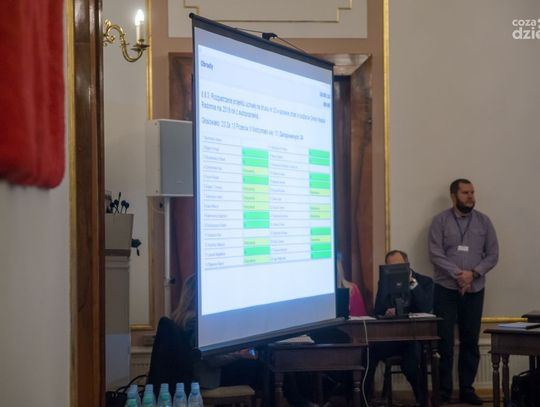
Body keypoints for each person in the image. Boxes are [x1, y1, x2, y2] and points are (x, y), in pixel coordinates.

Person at [429, 178, 499, 405]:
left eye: (472, 193)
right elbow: (435, 253)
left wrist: (473, 274)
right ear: (454, 196)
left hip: (475, 289)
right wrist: (459, 275)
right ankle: (444, 390)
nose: (471, 197)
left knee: (470, 340)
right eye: (466, 193)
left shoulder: (484, 222)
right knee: (445, 341)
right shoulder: (440, 221)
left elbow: (493, 254)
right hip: (445, 289)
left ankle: (467, 389)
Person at [365, 250, 434, 407]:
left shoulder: (425, 282)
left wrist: (412, 283)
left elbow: (425, 307)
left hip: (414, 338)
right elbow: (378, 310)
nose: (395, 269)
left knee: (410, 365)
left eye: (399, 265)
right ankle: (364, 398)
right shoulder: (385, 283)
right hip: (392, 338)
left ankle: (422, 400)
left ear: (407, 264)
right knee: (368, 353)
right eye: (391, 266)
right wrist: (387, 312)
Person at [171, 274, 261, 390]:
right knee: (259, 368)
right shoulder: (196, 321)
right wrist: (239, 354)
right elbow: (213, 360)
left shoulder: (178, 317)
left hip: (197, 374)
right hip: (208, 377)